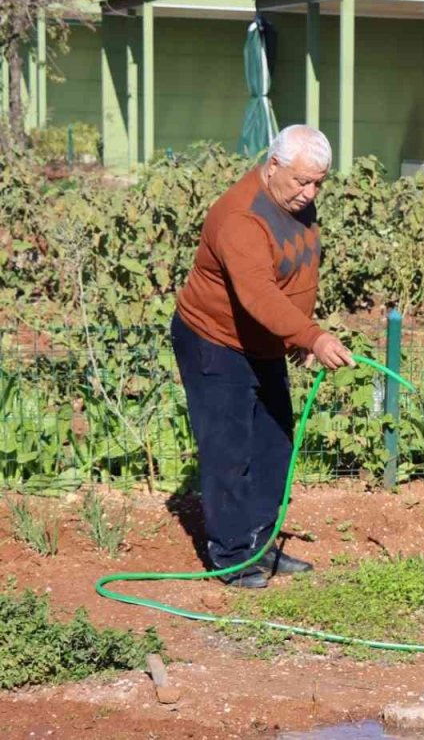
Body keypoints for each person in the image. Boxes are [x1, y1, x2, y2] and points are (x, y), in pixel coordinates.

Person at [171, 125, 355, 589]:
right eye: (301, 181)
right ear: (273, 166)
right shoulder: (241, 217)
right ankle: (231, 557)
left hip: (262, 342)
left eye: (318, 183)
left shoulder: (294, 202)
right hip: (216, 341)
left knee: (273, 444)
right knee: (229, 451)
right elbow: (257, 293)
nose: (310, 193)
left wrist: (292, 336)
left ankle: (259, 542)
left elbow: (293, 274)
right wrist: (311, 337)